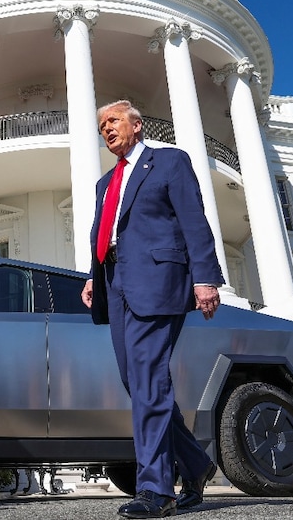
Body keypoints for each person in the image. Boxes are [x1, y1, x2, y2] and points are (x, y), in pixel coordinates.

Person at [81, 100, 224, 519]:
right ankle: (197, 465)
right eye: (100, 126)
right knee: (137, 381)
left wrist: (205, 278)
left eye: (112, 121)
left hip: (159, 282)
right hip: (116, 286)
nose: (105, 129)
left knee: (147, 381)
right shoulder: (105, 182)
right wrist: (94, 275)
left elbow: (194, 220)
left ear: (137, 125)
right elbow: (104, 234)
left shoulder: (170, 162)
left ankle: (156, 489)